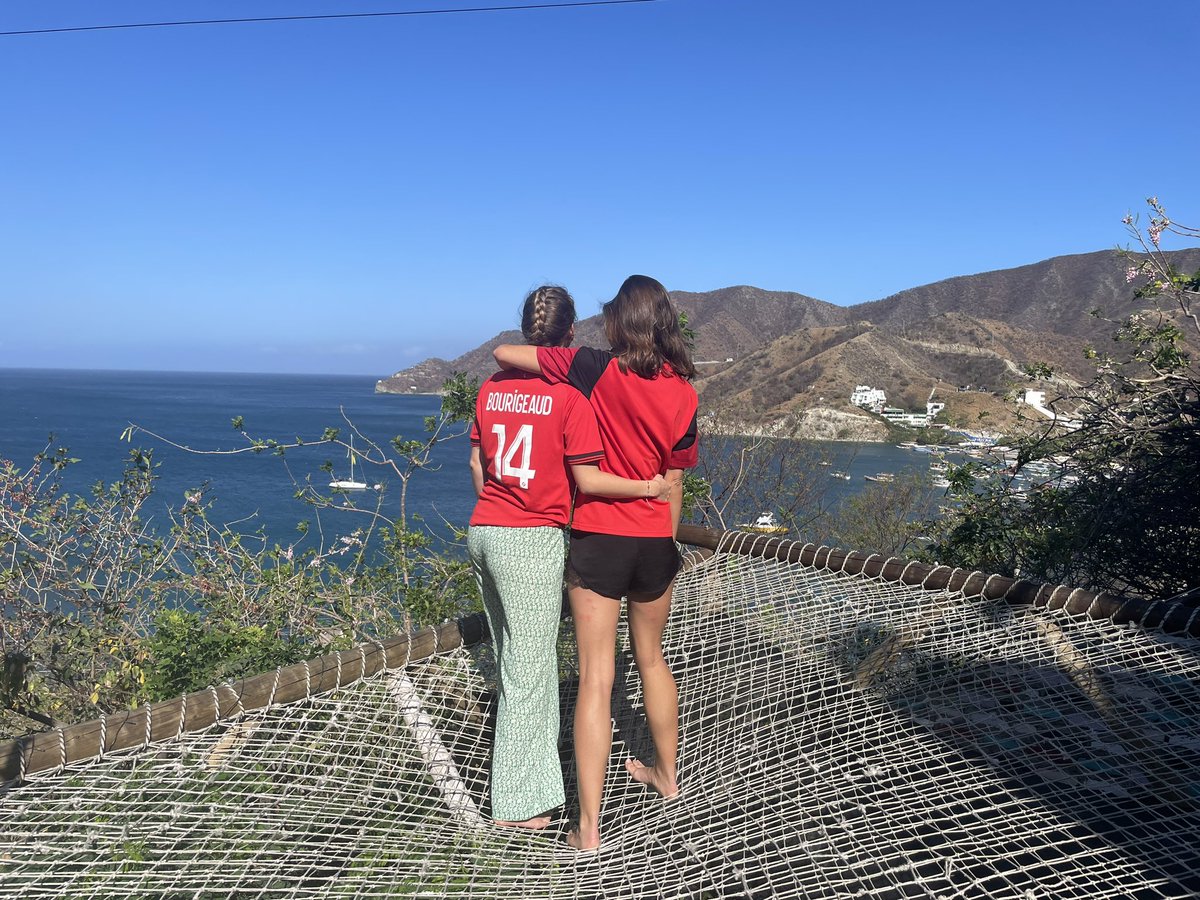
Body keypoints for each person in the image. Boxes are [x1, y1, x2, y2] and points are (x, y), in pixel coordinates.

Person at [493, 274, 699, 851]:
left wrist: (558, 353)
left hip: (598, 536)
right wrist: (664, 537)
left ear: (619, 322)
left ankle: (588, 828)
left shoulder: (593, 367)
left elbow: (506, 353)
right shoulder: (684, 389)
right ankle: (667, 777)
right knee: (653, 662)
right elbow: (675, 480)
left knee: (596, 681)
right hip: (655, 541)